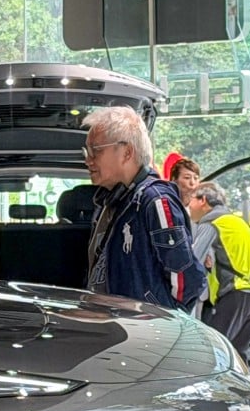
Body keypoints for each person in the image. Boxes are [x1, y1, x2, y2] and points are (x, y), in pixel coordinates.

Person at [81, 106, 205, 311]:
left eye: (96, 150)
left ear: (127, 152)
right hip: (116, 323)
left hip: (143, 327)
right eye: (87, 151)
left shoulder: (155, 200)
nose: (88, 160)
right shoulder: (112, 202)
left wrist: (160, 318)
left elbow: (187, 278)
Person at [187, 182, 250, 362]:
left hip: (234, 294)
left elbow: (193, 260)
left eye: (191, 200)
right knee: (237, 355)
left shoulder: (212, 222)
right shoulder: (235, 221)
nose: (189, 206)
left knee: (215, 353)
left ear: (203, 200)